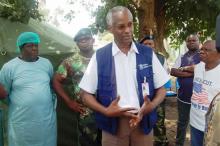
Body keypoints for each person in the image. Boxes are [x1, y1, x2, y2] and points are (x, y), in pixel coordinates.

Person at [79, 6, 169, 146]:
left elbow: (162, 88)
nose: (127, 30)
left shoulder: (147, 53)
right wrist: (106, 111)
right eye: (121, 27)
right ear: (110, 28)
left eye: (130, 25)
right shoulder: (100, 56)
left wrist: (152, 105)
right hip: (113, 126)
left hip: (142, 123)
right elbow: (85, 94)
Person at [0, 32, 57, 146]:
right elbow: (3, 93)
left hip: (45, 120)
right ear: (21, 48)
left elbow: (50, 85)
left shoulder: (46, 64)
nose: (34, 48)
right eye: (30, 46)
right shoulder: (9, 67)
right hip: (21, 120)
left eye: (36, 45)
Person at [53, 28, 100, 146]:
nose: (84, 42)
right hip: (85, 111)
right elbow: (56, 81)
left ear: (93, 40)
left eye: (87, 39)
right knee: (87, 142)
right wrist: (69, 102)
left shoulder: (103, 57)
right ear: (77, 43)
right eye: (80, 40)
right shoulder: (70, 62)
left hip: (107, 107)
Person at [170, 34, 200, 146]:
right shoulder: (182, 57)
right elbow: (173, 71)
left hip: (200, 99)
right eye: (189, 40)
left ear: (198, 42)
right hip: (183, 98)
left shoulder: (204, 55)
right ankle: (179, 143)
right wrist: (191, 74)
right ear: (186, 43)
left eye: (194, 40)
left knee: (198, 124)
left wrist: (183, 71)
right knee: (182, 123)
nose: (191, 42)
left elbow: (203, 71)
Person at [189, 40, 220, 146]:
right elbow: (190, 68)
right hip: (194, 122)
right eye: (201, 49)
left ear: (218, 53)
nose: (201, 52)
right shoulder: (199, 67)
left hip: (212, 127)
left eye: (206, 50)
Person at [140, 35, 169, 146]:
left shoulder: (161, 58)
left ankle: (161, 141)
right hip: (143, 97)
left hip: (158, 96)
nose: (148, 46)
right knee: (143, 121)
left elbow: (165, 79)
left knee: (159, 122)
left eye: (150, 44)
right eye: (145, 44)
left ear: (154, 45)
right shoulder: (137, 57)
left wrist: (163, 94)